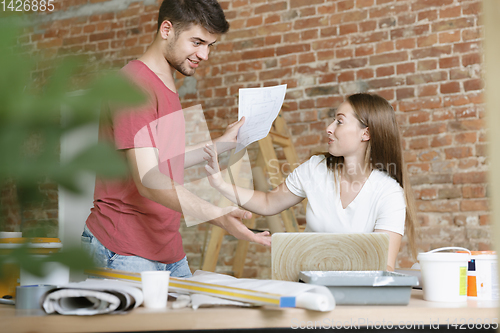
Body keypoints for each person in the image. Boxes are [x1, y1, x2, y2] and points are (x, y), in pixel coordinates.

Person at [82, 0, 270, 278]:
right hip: (123, 249)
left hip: (166, 249)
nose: (204, 54)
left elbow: (163, 160)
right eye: (197, 42)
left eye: (209, 45)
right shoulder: (134, 83)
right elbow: (149, 179)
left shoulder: (166, 82)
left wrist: (221, 144)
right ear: (166, 29)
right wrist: (218, 216)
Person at [204, 93, 417, 271]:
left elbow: (384, 266)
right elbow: (268, 202)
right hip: (308, 287)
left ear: (366, 133)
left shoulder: (389, 193)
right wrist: (220, 184)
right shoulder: (316, 168)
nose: (329, 128)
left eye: (339, 121)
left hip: (355, 298)